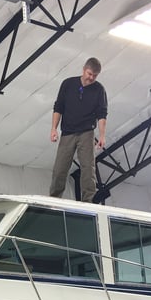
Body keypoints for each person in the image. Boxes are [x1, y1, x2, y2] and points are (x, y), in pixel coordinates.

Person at [49, 57, 107, 203]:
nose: (91, 78)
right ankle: (54, 199)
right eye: (89, 74)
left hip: (87, 132)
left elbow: (102, 114)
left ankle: (88, 201)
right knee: (60, 168)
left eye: (95, 76)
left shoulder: (99, 89)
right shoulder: (68, 84)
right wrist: (54, 129)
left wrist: (102, 136)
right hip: (68, 132)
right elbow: (58, 107)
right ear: (84, 70)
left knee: (88, 168)